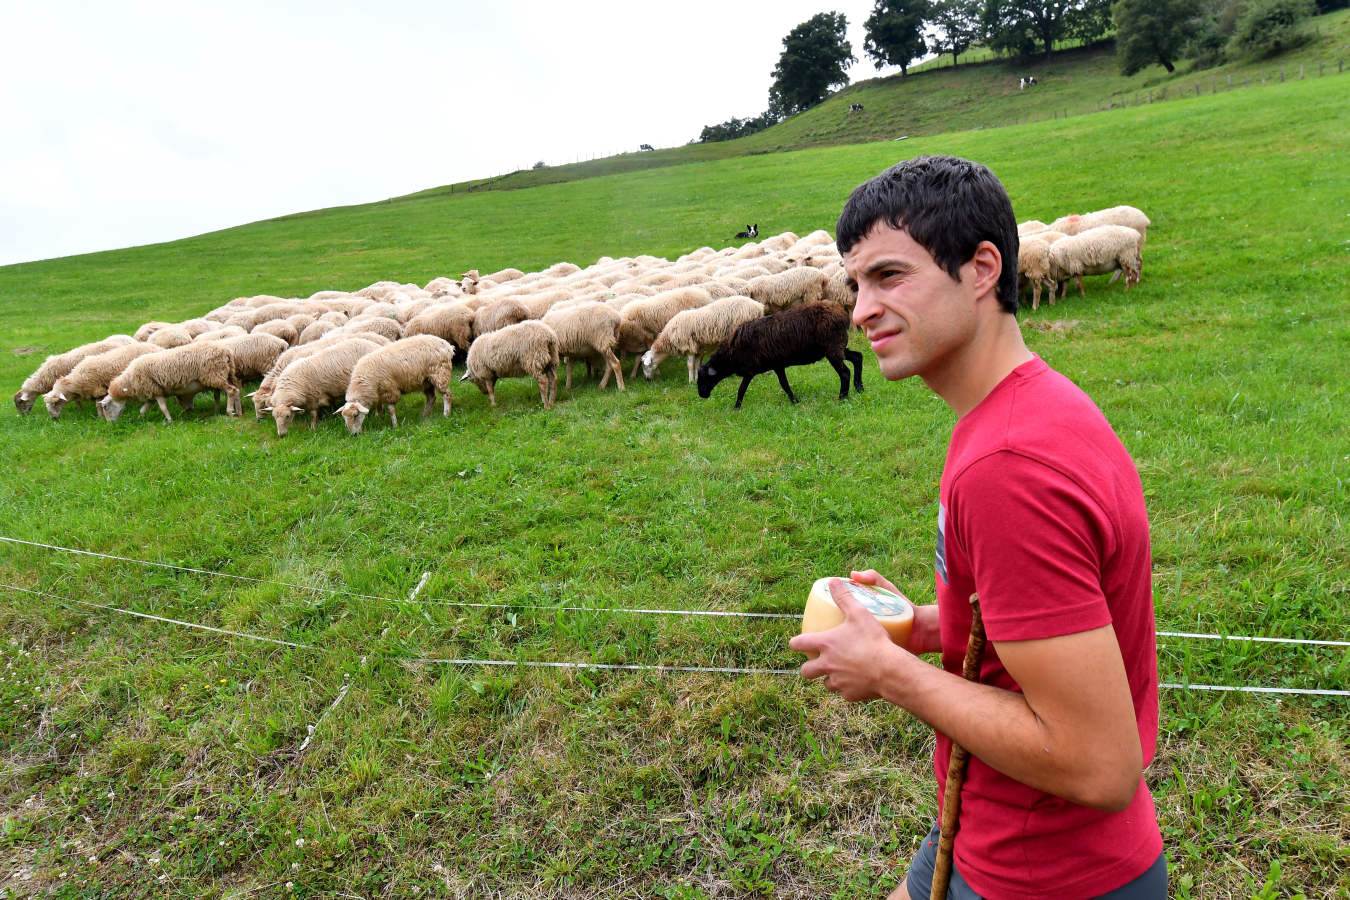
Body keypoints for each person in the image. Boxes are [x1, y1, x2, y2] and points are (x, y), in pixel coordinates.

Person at [788, 155, 1166, 899]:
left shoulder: (1009, 467)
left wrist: (892, 674)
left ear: (983, 268)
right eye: (854, 284)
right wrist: (927, 625)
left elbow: (1099, 764)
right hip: (977, 825)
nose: (861, 310)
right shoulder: (1028, 406)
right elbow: (1031, 615)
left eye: (890, 276)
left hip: (1045, 872)